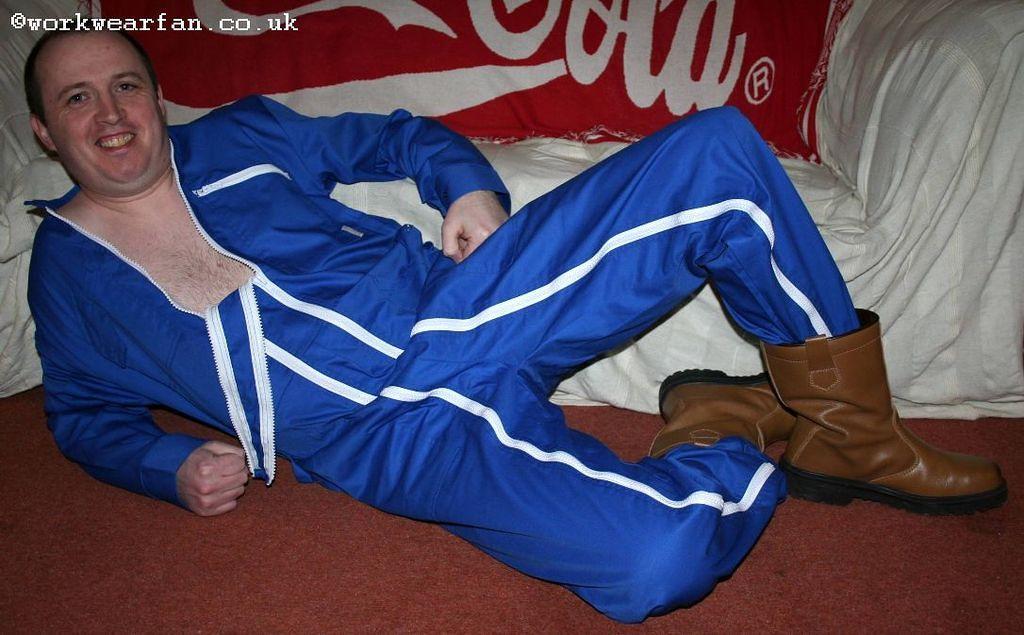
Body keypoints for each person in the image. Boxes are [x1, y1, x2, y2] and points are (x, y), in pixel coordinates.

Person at [24, 29, 1005, 623]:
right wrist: (166, 465)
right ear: (45, 132)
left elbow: (395, 136)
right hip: (389, 441)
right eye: (77, 97)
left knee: (715, 157)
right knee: (655, 563)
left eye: (126, 85)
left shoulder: (234, 137)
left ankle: (849, 428)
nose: (110, 113)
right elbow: (81, 414)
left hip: (459, 305)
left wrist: (466, 187)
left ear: (156, 97)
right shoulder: (68, 276)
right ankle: (722, 426)